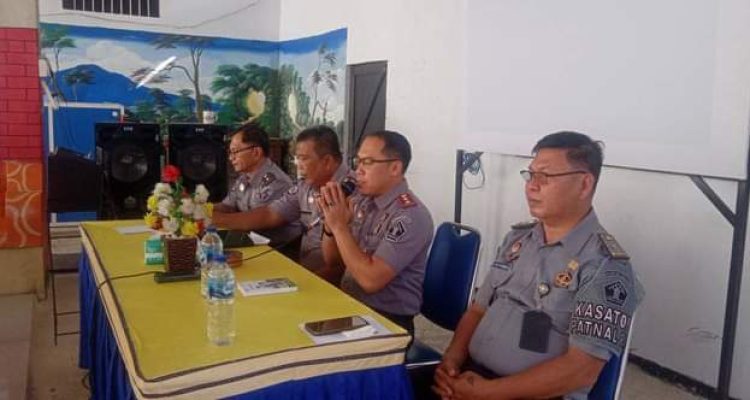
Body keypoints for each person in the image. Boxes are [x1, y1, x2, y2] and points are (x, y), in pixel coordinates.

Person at [432, 131, 644, 400]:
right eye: (530, 175)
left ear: (584, 184)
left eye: (545, 177)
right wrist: (451, 361)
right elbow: (477, 310)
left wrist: (488, 393)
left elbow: (581, 371)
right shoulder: (517, 240)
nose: (531, 186)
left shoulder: (606, 268)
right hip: (474, 378)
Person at [318, 130, 434, 335]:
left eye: (368, 162)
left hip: (386, 320)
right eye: (358, 161)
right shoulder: (363, 200)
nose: (357, 171)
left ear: (395, 168)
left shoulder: (409, 216)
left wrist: (340, 227)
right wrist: (330, 223)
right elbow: (333, 261)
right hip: (353, 307)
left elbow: (371, 280)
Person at [213, 125, 351, 281]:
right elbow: (270, 213)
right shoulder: (305, 185)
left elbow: (343, 265)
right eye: (296, 158)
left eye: (303, 158)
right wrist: (208, 215)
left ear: (326, 161)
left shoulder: (353, 192)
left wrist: (305, 284)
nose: (297, 165)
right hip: (303, 271)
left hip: (326, 283)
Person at [212, 123, 300, 246]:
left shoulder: (275, 182)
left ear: (256, 153)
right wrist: (201, 209)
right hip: (252, 242)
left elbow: (253, 222)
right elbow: (228, 206)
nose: (231, 158)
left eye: (235, 152)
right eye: (230, 153)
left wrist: (211, 219)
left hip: (277, 250)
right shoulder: (244, 177)